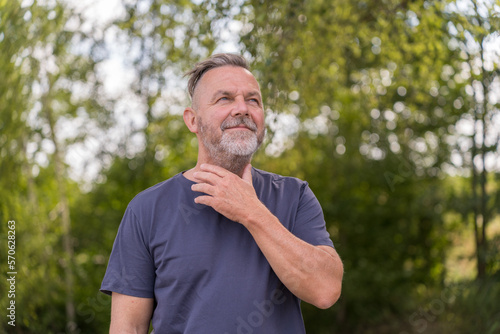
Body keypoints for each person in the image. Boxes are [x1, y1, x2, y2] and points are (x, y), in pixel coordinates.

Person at [100, 53, 343, 334]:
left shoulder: (295, 195)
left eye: (253, 100)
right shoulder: (147, 209)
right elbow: (128, 327)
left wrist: (252, 212)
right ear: (193, 120)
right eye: (224, 99)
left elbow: (325, 290)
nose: (242, 108)